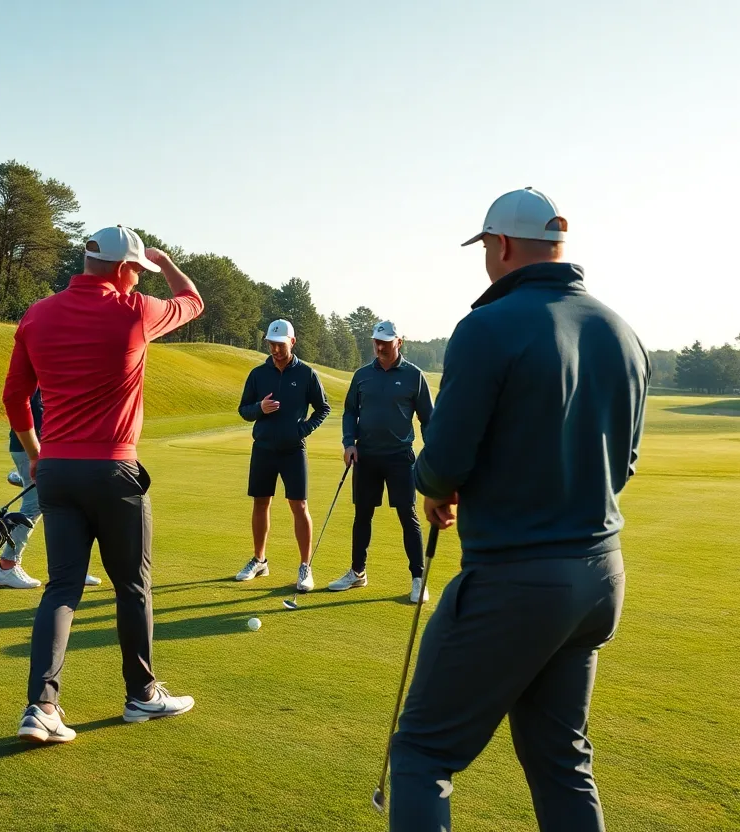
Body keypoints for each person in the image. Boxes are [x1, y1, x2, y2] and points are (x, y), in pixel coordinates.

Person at [388, 187, 649, 831]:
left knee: (422, 753)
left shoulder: (486, 326)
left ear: (500, 245)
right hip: (600, 577)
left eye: (485, 247)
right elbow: (623, 467)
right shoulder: (621, 330)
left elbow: (444, 459)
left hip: (515, 579)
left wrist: (435, 486)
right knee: (562, 759)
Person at [2, 225, 204, 743]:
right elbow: (192, 301)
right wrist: (166, 261)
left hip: (56, 471)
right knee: (132, 586)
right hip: (114, 471)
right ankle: (142, 695)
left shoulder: (37, 314)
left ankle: (41, 707)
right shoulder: (135, 310)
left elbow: (14, 397)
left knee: (62, 588)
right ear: (123, 268)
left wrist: (36, 456)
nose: (139, 277)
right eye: (138, 270)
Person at [327, 321, 434, 602]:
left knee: (407, 515)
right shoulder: (362, 375)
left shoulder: (414, 376)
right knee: (362, 515)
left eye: (385, 342)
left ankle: (418, 578)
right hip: (366, 456)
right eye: (376, 341)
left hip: (400, 457)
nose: (380, 346)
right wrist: (349, 443)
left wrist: (433, 449)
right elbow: (350, 412)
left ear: (398, 342)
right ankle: (357, 572)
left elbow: (427, 418)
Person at [234, 319, 331, 591]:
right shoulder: (258, 374)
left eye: (280, 345)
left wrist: (303, 430)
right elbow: (243, 410)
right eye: (271, 344)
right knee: (260, 503)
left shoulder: (306, 374)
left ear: (292, 342)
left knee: (299, 506)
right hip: (263, 448)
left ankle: (305, 567)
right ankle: (259, 560)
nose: (275, 350)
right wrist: (259, 408)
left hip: (293, 450)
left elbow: (323, 408)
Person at [0, 386, 102, 590]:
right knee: (34, 506)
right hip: (33, 447)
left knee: (66, 505)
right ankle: (7, 566)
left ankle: (69, 569)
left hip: (51, 447)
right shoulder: (38, 375)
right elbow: (26, 407)